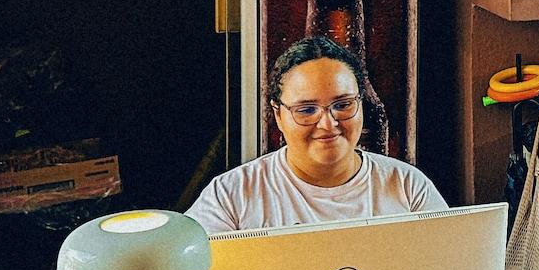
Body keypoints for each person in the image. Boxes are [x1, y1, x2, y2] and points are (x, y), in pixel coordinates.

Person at [188, 35, 447, 234]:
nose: (327, 123)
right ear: (278, 115)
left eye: (343, 105)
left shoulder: (408, 187)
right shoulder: (232, 195)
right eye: (307, 110)